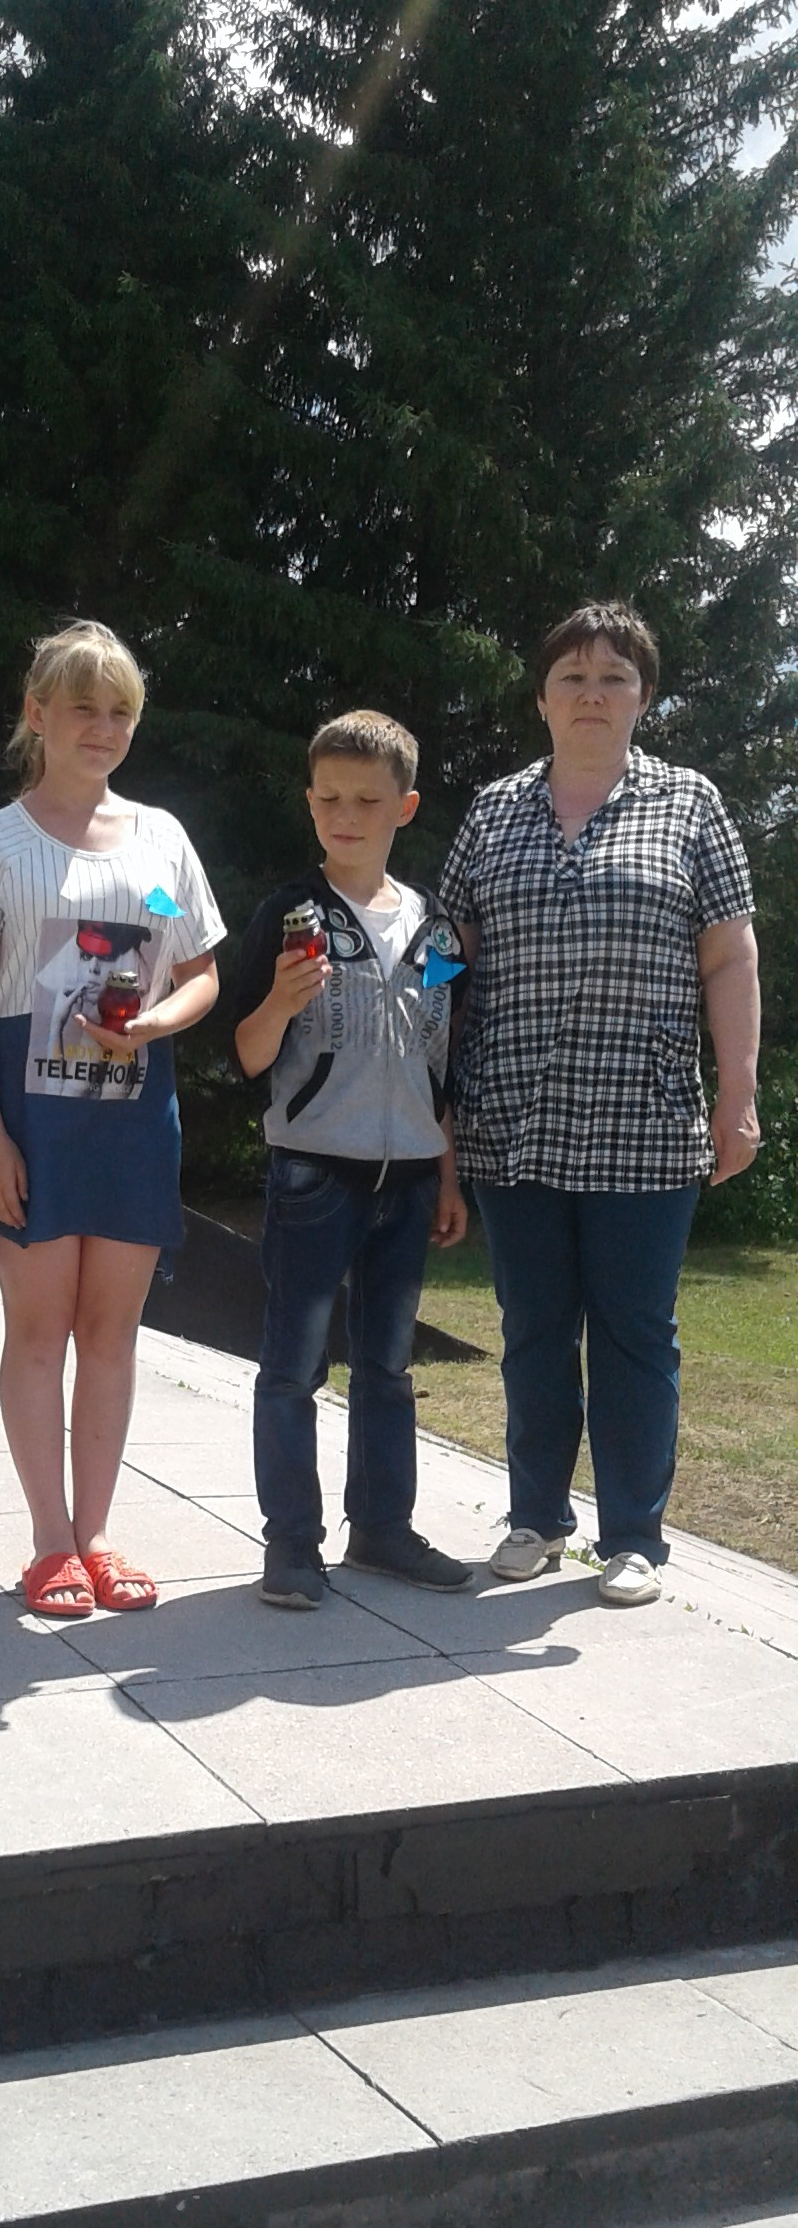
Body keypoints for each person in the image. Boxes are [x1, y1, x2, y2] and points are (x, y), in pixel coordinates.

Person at [440, 602, 761, 1605]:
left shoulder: (691, 805)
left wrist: (739, 1094)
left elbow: (730, 957)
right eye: (572, 676)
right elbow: (447, 961)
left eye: (614, 676)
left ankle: (634, 1539)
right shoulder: (493, 812)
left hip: (646, 1120)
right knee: (534, 1327)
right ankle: (536, 1517)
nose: (592, 693)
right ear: (541, 699)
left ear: (643, 697)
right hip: (513, 1118)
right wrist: (429, 1095)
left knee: (634, 1332)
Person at [0, 621, 225, 1619]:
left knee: (111, 1333)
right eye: (82, 708)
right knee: (37, 1331)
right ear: (37, 714)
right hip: (31, 1118)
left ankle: (97, 1534)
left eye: (120, 712)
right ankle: (49, 1542)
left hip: (132, 1114)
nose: (103, 728)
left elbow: (202, 975)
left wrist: (153, 1022)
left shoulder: (162, 839)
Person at [231, 710, 471, 1610]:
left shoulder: (435, 929)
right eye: (329, 797)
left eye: (368, 800)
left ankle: (382, 1529)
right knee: (293, 1368)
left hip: (408, 1177)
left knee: (388, 1368)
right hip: (313, 1173)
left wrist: (447, 1174)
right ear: (309, 802)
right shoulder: (289, 915)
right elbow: (246, 1056)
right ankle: (292, 1545)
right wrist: (280, 1002)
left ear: (404, 808)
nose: (346, 815)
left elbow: (443, 1057)